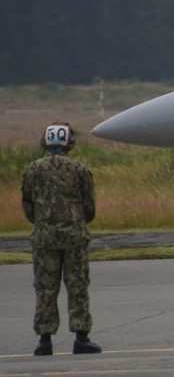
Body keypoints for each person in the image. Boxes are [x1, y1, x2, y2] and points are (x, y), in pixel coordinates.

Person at [22, 122, 101, 356]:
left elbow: (27, 205)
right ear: (68, 143)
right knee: (77, 285)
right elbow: (89, 208)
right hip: (74, 238)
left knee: (45, 288)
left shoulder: (32, 170)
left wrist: (42, 223)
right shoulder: (80, 170)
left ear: (46, 141)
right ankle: (81, 337)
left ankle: (44, 341)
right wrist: (75, 222)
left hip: (44, 239)